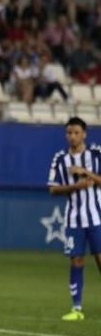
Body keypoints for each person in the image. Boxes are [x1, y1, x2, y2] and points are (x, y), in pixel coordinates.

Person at [48, 117, 101, 321]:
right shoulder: (60, 159)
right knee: (76, 260)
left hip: (96, 218)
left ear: (84, 134)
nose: (72, 136)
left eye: (76, 132)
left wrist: (85, 172)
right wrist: (75, 187)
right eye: (69, 133)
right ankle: (76, 308)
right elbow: (53, 189)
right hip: (74, 220)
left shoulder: (96, 155)